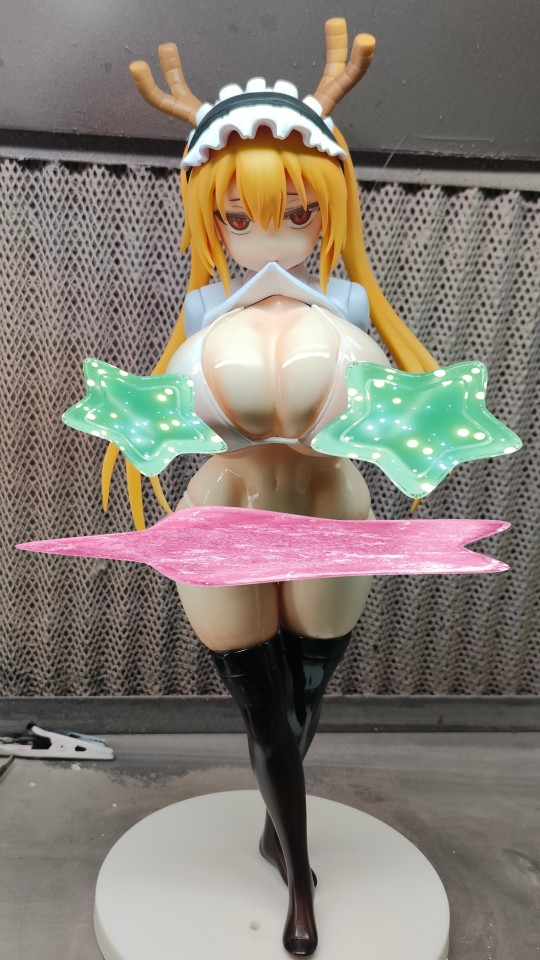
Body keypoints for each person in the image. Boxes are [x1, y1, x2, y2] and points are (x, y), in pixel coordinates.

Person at [101, 20, 437, 956]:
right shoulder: (205, 308)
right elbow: (169, 408)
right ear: (211, 219)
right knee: (265, 708)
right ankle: (299, 881)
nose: (269, 235)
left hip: (332, 503)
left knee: (305, 698)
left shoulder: (350, 305)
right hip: (226, 506)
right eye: (239, 219)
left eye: (295, 211)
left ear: (329, 209)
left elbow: (391, 410)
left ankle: (272, 827)